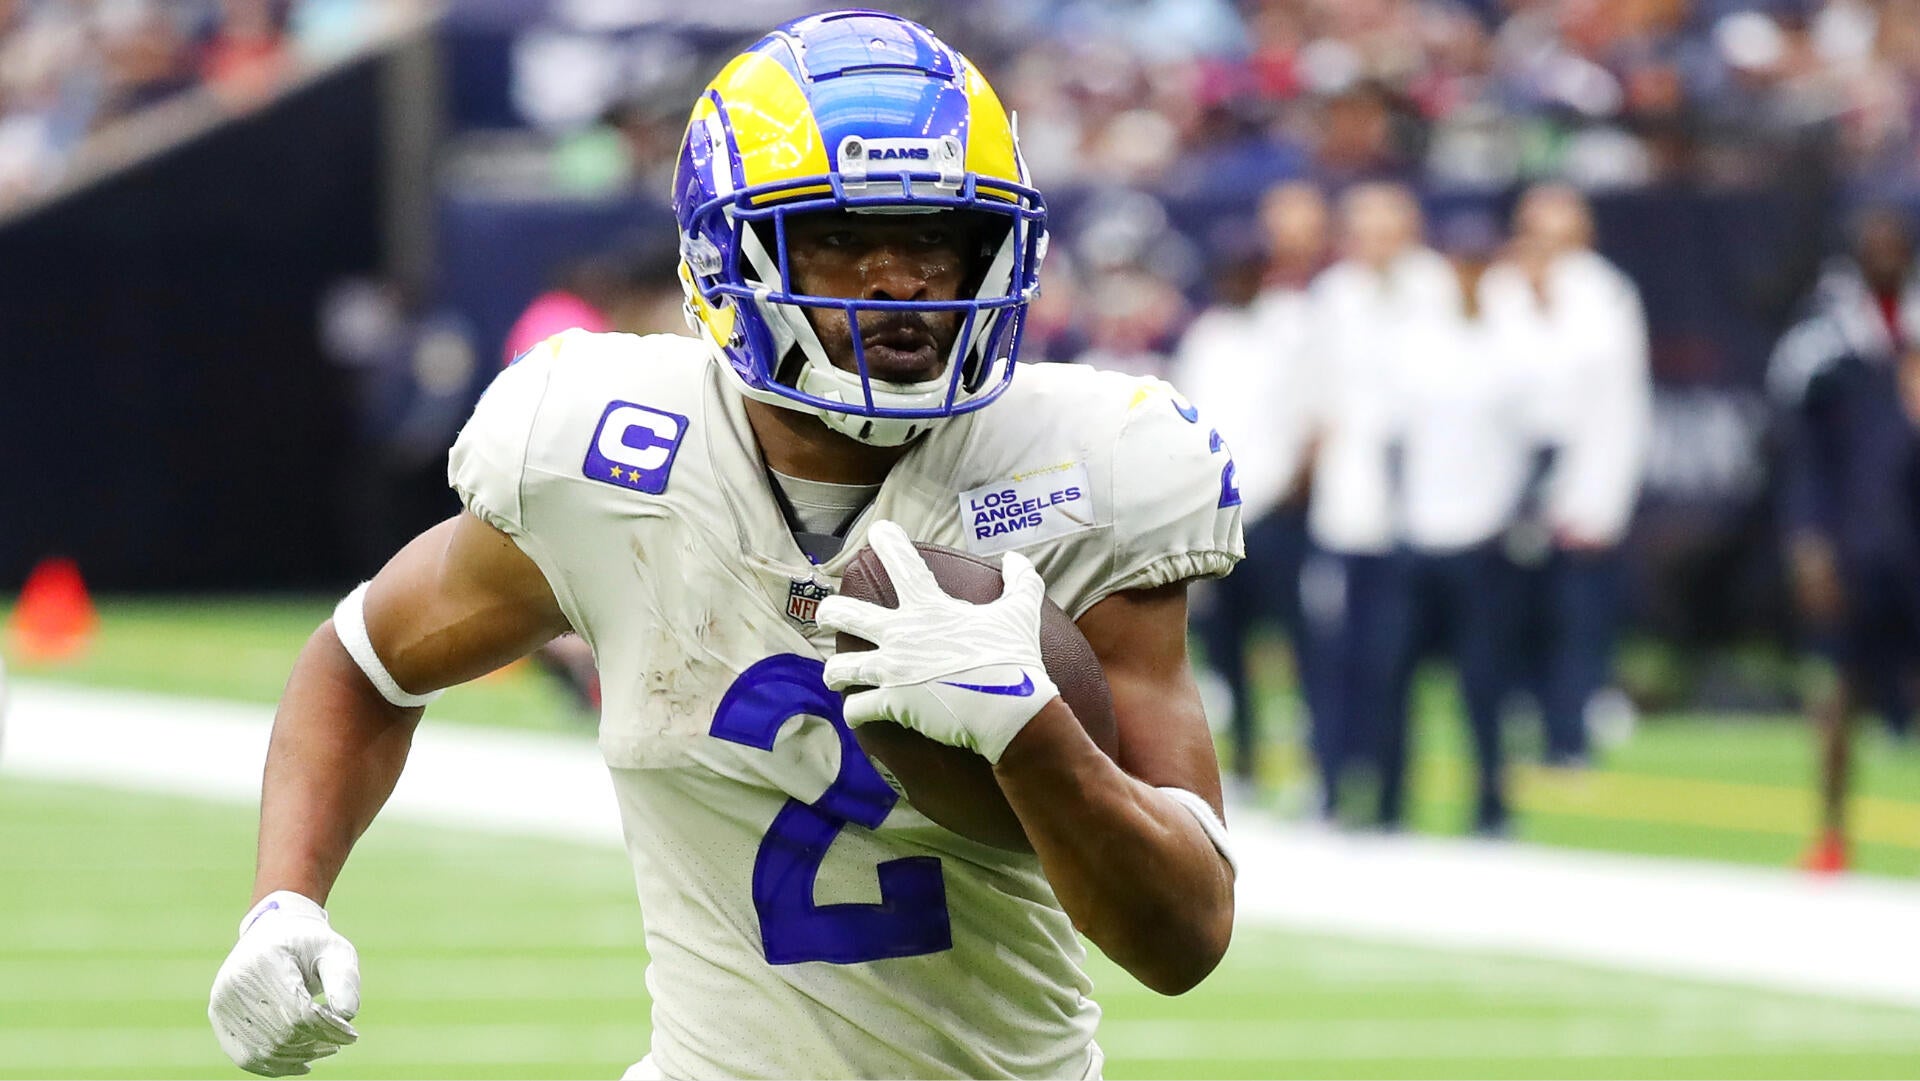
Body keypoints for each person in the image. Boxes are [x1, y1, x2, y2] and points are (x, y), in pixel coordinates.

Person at [207, 12, 1242, 1080]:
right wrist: (284, 903)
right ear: (725, 252)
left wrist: (1032, 735)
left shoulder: (1085, 468)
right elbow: (362, 664)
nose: (900, 280)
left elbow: (1187, 935)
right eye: (839, 237)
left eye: (938, 236)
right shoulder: (602, 450)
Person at [1768, 204, 1920, 873]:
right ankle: (1831, 834)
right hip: (1857, 541)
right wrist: (1808, 541)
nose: (1884, 251)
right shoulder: (1824, 339)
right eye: (1873, 241)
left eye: (1895, 241)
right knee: (1838, 692)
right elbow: (1799, 453)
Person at [1482, 184, 1651, 769]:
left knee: (1575, 618)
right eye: (1537, 233)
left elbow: (1621, 404)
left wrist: (1604, 501)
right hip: (1507, 475)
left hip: (1581, 472)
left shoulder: (1607, 294)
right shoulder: (1497, 289)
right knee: (1508, 618)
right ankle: (1511, 735)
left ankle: (1570, 739)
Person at [1298, 182, 1453, 821]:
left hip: (1419, 513)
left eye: (1387, 229)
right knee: (1333, 656)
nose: (1376, 243)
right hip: (1347, 510)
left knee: (1397, 662)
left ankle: (1391, 798)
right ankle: (1332, 786)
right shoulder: (1335, 295)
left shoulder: (1437, 289)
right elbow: (1318, 397)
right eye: (1364, 231)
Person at [1172, 182, 1327, 796]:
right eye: (1227, 270)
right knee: (1225, 647)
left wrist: (1297, 490)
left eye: (1245, 268)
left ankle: (1317, 762)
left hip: (1280, 513)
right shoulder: (1206, 335)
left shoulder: (1293, 327)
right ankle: (1244, 764)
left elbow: (1314, 418)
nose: (1235, 279)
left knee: (1299, 644)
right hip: (1219, 514)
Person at [1378, 212, 1531, 835]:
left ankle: (1490, 808)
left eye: (1478, 262)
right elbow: (1393, 439)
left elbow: (1539, 440)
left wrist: (1510, 518)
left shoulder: (1513, 345)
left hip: (1481, 537)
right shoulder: (1417, 342)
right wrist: (1400, 517)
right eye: (1460, 262)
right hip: (1421, 533)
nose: (1469, 274)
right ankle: (1390, 805)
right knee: (1395, 678)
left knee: (1485, 682)